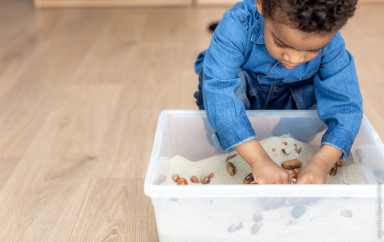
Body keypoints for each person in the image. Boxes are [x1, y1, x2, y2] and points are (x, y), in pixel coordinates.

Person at [194, 0, 363, 184]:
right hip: (247, 91)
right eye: (281, 43)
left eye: (313, 50)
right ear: (261, 4)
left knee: (328, 91)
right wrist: (259, 161)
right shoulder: (238, 23)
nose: (294, 59)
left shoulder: (332, 41)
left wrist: (321, 164)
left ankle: (286, 135)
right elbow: (219, 88)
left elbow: (346, 105)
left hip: (293, 95)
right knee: (215, 83)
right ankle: (229, 144)